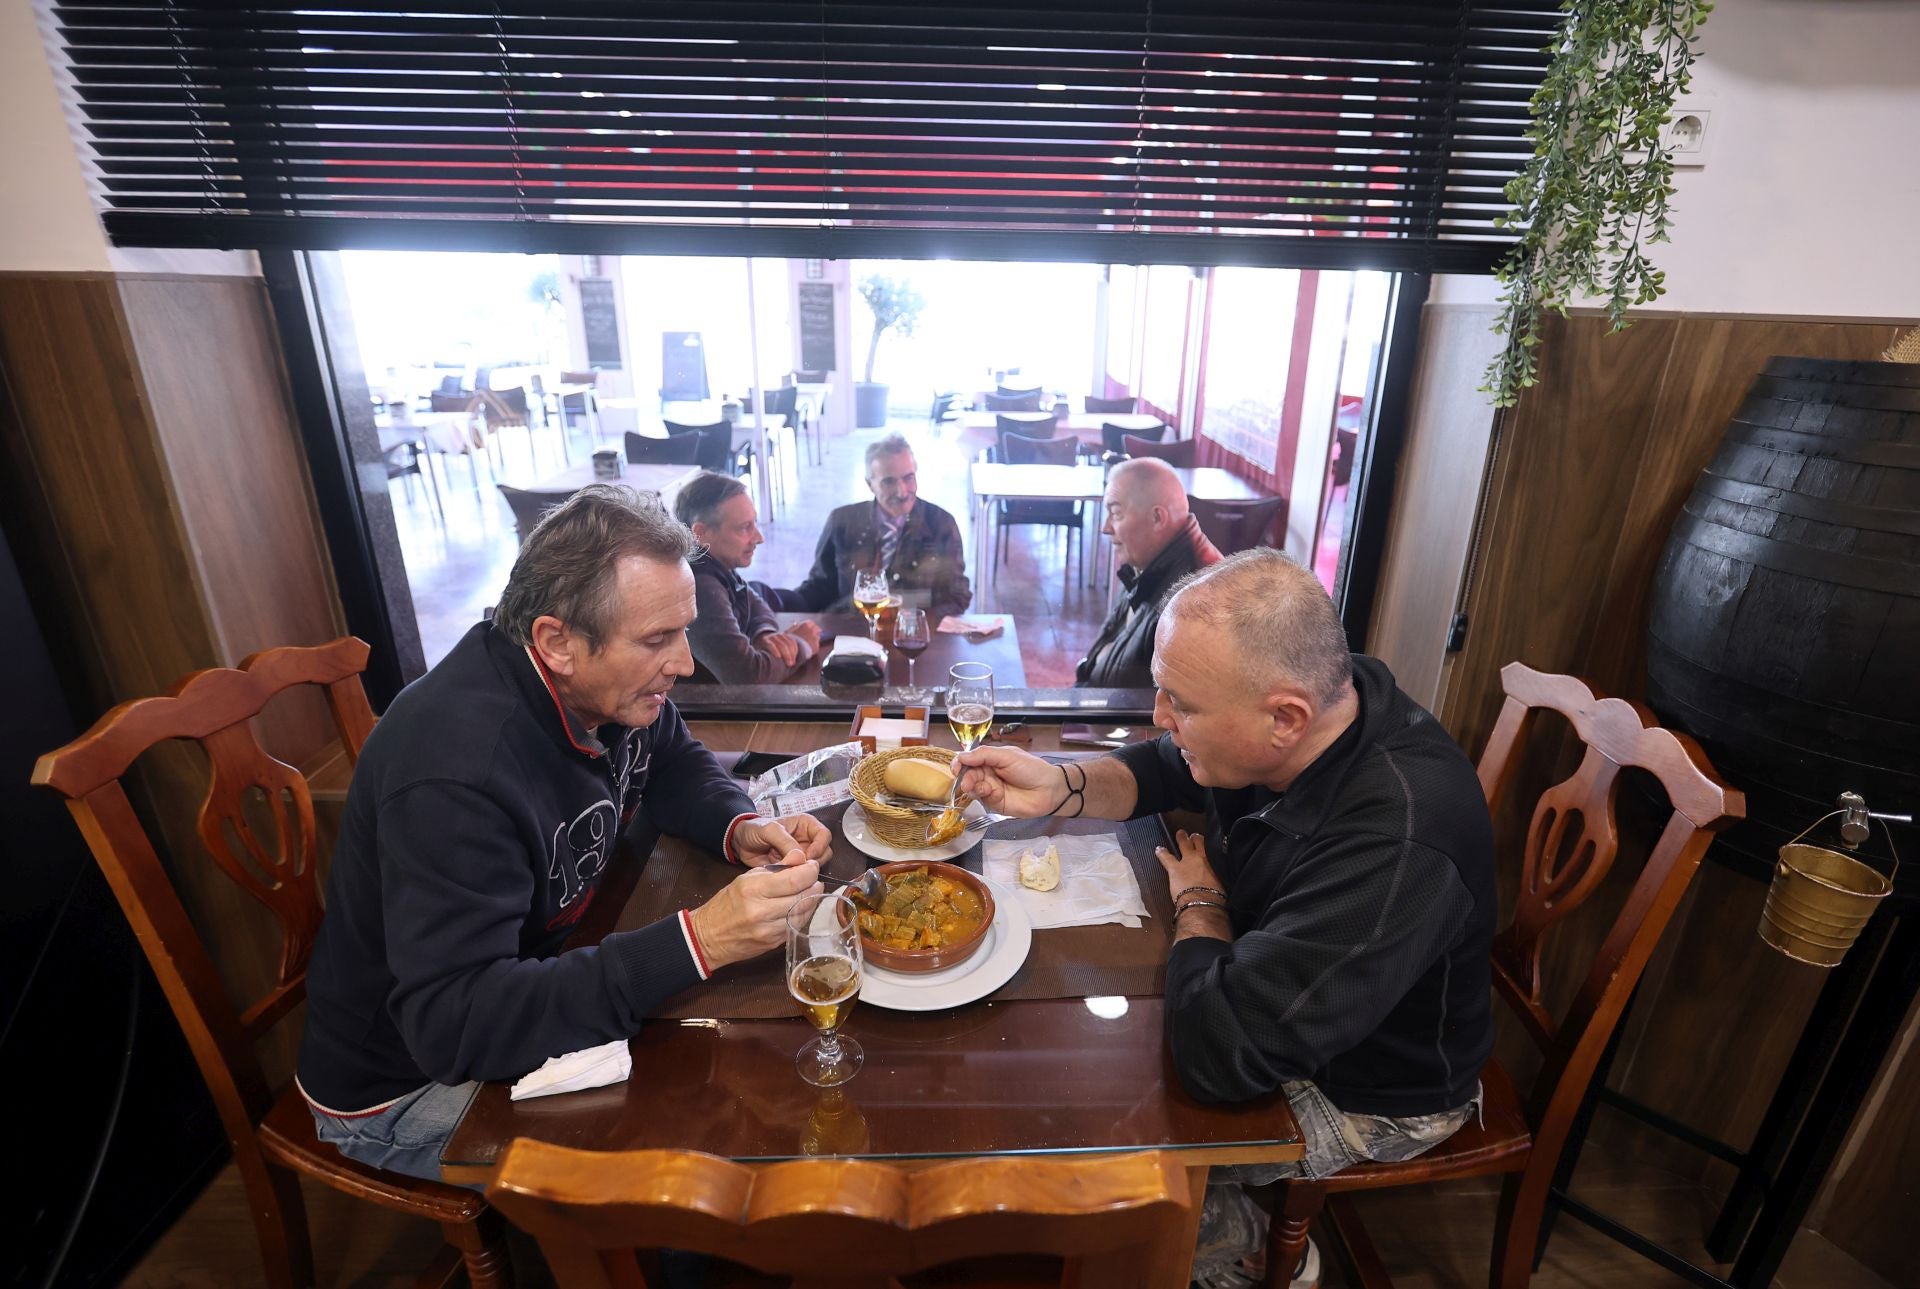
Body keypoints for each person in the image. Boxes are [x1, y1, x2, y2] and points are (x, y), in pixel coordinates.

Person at [954, 549, 1494, 1289]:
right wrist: (1062, 786)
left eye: (1182, 704)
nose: (1161, 717)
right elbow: (1168, 763)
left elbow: (1221, 1054)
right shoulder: (1318, 707)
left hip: (1366, 1088)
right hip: (1271, 992)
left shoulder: (1397, 836)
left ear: (1285, 718)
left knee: (1100, 1143)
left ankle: (1232, 1242)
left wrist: (1201, 905)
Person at [298, 484, 831, 1183]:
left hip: (542, 967)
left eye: (685, 631)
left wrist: (741, 824)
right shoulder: (455, 771)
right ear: (557, 642)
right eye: (657, 640)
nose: (684, 663)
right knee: (692, 1150)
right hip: (404, 1086)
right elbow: (457, 1026)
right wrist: (700, 941)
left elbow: (671, 757)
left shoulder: (608, 690)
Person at [763, 432, 972, 622]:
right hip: (851, 634)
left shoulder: (941, 524)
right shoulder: (841, 522)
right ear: (869, 484)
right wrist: (775, 603)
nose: (902, 491)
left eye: (908, 478)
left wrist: (912, 620)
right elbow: (821, 587)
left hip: (914, 636)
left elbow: (957, 597)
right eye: (889, 482)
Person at [1075, 457, 1222, 688]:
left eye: (1116, 513)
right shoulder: (1144, 566)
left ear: (1157, 518)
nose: (1105, 528)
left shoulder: (1195, 602)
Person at [675, 470, 822, 684]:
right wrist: (802, 645)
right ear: (701, 533)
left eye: (755, 524)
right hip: (706, 705)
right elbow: (748, 676)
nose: (759, 538)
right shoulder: (699, 587)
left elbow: (755, 602)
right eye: (745, 528)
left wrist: (764, 635)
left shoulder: (714, 565)